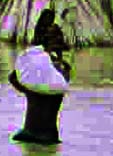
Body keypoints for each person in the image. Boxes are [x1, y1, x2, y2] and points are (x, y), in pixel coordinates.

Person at [9, 8, 72, 145]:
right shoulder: (63, 71)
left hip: (30, 133)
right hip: (51, 137)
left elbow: (13, 78)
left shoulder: (33, 67)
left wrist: (28, 86)